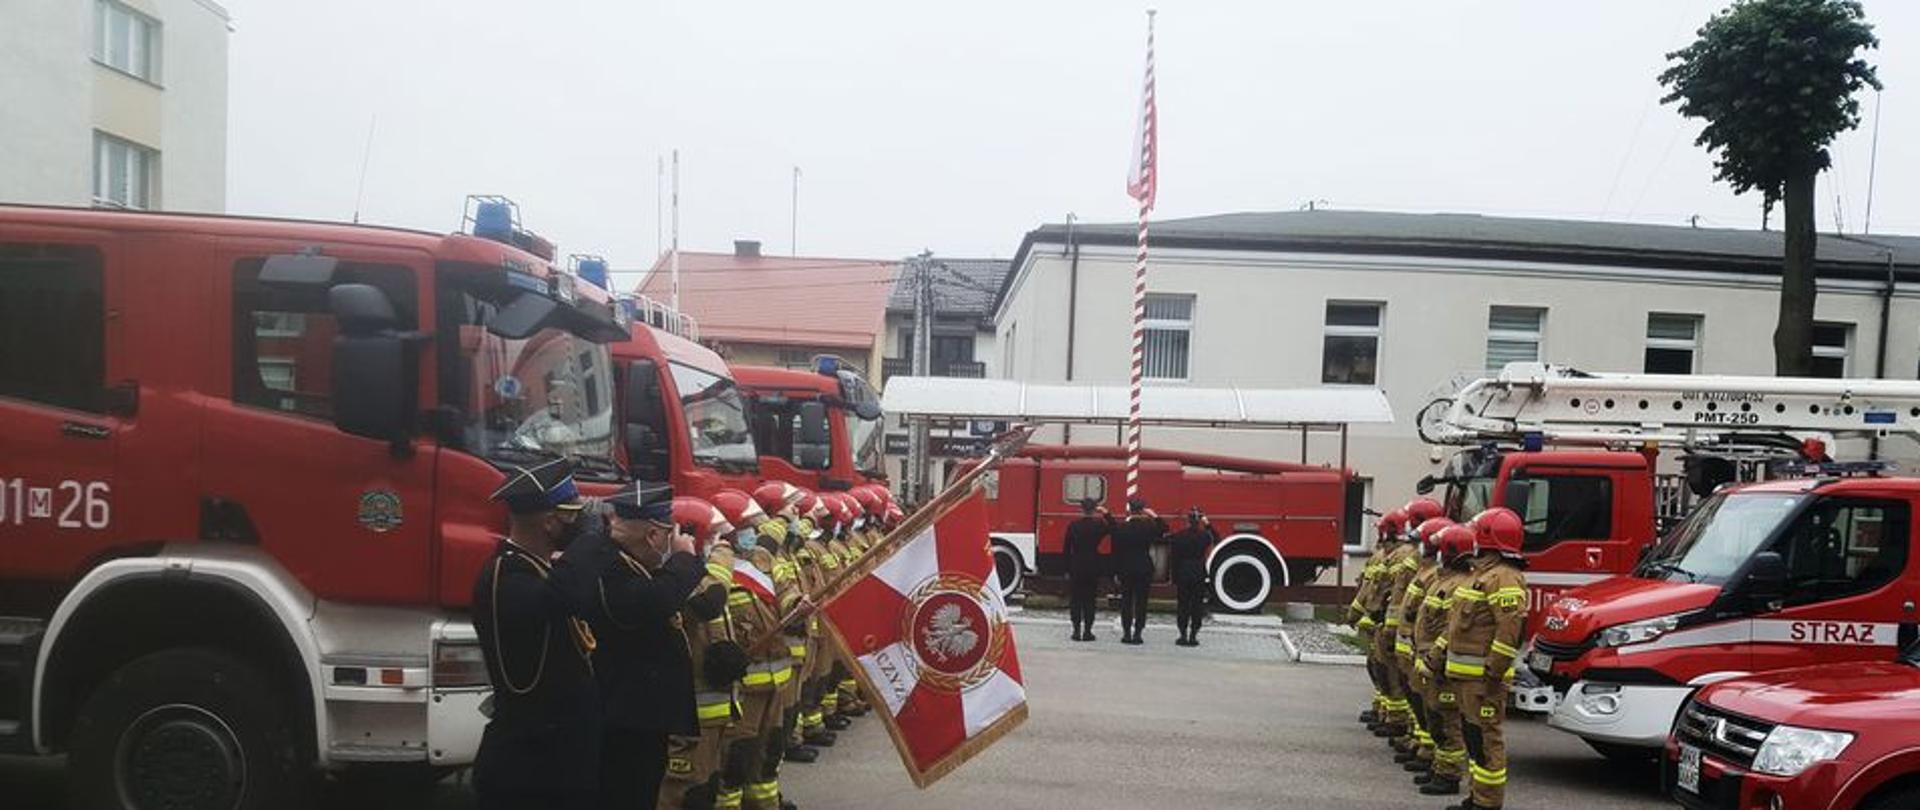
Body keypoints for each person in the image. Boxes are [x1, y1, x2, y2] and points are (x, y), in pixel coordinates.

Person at [551, 480, 705, 810]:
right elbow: (657, 599)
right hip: (627, 718)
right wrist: (684, 559)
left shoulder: (608, 555)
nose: (669, 542)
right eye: (667, 534)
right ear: (652, 536)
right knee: (628, 793)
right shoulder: (612, 570)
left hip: (632, 712)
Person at [471, 458, 602, 810]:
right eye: (572, 516)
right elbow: (564, 596)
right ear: (549, 522)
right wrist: (590, 538)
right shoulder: (506, 576)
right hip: (527, 764)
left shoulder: (541, 569)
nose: (578, 523)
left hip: (559, 756)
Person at [657, 496, 754, 810]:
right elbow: (710, 603)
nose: (720, 544)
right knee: (680, 795)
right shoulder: (679, 579)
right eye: (714, 537)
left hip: (711, 716)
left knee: (705, 789)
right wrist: (722, 556)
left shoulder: (697, 573)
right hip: (687, 721)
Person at [1441, 507, 1529, 810]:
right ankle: (1477, 796)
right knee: (1474, 736)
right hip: (1469, 678)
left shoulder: (1503, 578)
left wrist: (1494, 672)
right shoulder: (1482, 575)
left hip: (1484, 679)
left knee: (1486, 738)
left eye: (1476, 534)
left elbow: (1509, 630)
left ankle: (1488, 802)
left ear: (1489, 539)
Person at [1415, 523, 1477, 798]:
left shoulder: (1457, 586)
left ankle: (1449, 776)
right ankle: (1439, 767)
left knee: (1448, 721)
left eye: (1440, 549)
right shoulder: (1442, 579)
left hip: (1441, 664)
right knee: (1436, 716)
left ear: (1451, 553)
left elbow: (1449, 630)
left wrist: (1435, 658)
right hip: (1431, 660)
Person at [1394, 516, 1453, 772]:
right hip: (1419, 650)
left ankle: (1437, 761)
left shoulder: (1438, 578)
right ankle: (1425, 748)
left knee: (1441, 715)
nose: (1415, 547)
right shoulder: (1431, 574)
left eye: (1421, 543)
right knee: (1421, 702)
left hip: (1433, 655)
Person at [1352, 508, 1408, 729]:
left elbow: (1390, 592)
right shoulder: (1388, 556)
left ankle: (1396, 719)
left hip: (1390, 624)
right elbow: (1372, 589)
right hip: (1381, 621)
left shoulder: (1400, 557)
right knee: (1381, 669)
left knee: (1393, 674)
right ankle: (1387, 711)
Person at [1110, 497, 1167, 645]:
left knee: (1126, 601)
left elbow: (1116, 551)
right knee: (1141, 602)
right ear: (1142, 510)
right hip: (1143, 567)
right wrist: (1154, 515)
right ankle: (1138, 633)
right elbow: (1164, 529)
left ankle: (1126, 633)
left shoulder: (1121, 527)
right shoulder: (1148, 527)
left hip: (1125, 567)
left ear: (1129, 509)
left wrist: (1115, 571)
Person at [1063, 498, 1114, 641]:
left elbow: (1066, 548)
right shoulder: (1099, 525)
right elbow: (1113, 527)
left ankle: (1076, 630)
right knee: (1090, 600)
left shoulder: (1073, 525)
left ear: (1081, 509)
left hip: (1076, 564)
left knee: (1076, 599)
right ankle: (1088, 631)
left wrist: (1066, 568)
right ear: (1094, 509)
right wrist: (1106, 513)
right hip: (1093, 564)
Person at [1167, 507, 1216, 646]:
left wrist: (1175, 576)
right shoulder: (1205, 536)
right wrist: (1207, 524)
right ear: (1199, 521)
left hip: (1183, 571)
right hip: (1199, 571)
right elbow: (1216, 537)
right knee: (1197, 605)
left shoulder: (1180, 536)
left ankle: (1182, 635)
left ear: (1187, 521)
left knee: (1183, 605)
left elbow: (1174, 557)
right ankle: (1193, 636)